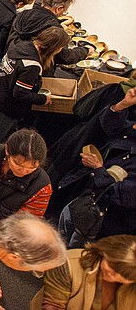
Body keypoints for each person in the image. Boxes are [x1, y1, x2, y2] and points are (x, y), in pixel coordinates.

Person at [49, 88, 136, 246]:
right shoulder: (131, 134)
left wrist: (98, 169)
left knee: (75, 248)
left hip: (102, 219)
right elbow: (111, 127)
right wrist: (123, 104)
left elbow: (123, 196)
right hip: (88, 200)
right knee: (64, 226)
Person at [0, 27, 70, 143]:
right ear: (53, 47)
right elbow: (20, 93)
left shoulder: (22, 45)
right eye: (60, 47)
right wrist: (43, 99)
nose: (60, 50)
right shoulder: (32, 65)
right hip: (6, 104)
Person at [30, 235, 136, 309]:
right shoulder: (68, 263)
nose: (112, 276)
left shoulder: (131, 286)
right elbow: (53, 306)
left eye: (123, 275)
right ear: (106, 252)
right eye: (112, 267)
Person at [8, 0, 91, 71]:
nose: (63, 14)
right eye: (64, 11)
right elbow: (64, 57)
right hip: (33, 69)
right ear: (59, 9)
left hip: (11, 61)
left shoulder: (23, 14)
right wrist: (85, 51)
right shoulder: (54, 29)